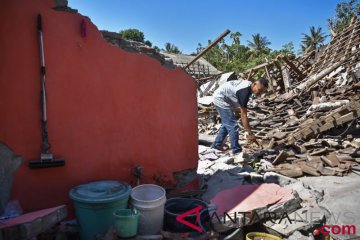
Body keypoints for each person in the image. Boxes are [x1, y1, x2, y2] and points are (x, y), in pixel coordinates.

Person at [211, 78, 269, 155]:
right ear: (254, 84)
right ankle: (237, 151)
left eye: (262, 91)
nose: (260, 93)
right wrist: (250, 133)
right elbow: (244, 115)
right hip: (221, 99)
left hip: (224, 98)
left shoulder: (248, 86)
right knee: (233, 125)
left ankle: (216, 145)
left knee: (226, 124)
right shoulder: (244, 92)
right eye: (259, 90)